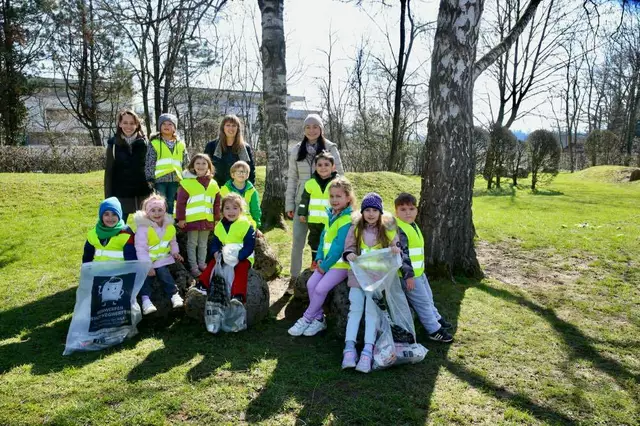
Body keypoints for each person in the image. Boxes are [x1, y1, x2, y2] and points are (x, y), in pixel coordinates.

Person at [340, 192, 405, 373]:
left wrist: (394, 249)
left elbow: (396, 246)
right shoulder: (356, 229)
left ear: (380, 212)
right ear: (362, 212)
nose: (370, 214)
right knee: (355, 311)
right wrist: (349, 254)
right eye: (367, 210)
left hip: (376, 280)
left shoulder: (388, 230)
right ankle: (349, 349)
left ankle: (367, 351)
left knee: (371, 314)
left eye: (374, 210)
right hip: (357, 278)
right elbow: (348, 248)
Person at [288, 177, 355, 337]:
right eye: (331, 196)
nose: (334, 200)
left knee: (320, 289)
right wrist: (319, 257)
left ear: (348, 198)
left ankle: (307, 318)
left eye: (338, 196)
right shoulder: (330, 215)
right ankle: (319, 319)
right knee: (311, 284)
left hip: (340, 265)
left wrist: (324, 266)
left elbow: (339, 247)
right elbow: (323, 239)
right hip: (325, 262)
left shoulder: (347, 219)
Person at [286, 114, 344, 281]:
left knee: (326, 241)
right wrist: (289, 204)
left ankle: (324, 276)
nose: (311, 130)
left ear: (321, 129)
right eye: (308, 127)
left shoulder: (330, 148)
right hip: (301, 203)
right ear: (304, 129)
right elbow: (292, 178)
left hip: (328, 205)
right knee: (298, 241)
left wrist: (341, 203)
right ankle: (294, 278)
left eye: (315, 127)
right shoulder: (297, 150)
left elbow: (341, 176)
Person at [394, 193, 453, 343]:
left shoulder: (412, 225)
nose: (408, 213)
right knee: (422, 302)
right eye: (403, 209)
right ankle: (434, 330)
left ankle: (436, 318)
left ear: (416, 210)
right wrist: (408, 276)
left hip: (419, 273)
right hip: (409, 276)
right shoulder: (399, 229)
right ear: (396, 212)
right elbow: (403, 254)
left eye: (411, 209)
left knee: (428, 297)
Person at [133, 194, 185, 315]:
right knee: (146, 276)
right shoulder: (143, 228)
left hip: (162, 259)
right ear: (147, 212)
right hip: (147, 260)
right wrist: (147, 265)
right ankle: (146, 301)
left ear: (165, 210)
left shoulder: (169, 226)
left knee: (163, 272)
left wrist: (175, 252)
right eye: (153, 210)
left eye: (160, 210)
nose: (157, 213)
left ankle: (174, 294)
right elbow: (141, 248)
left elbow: (172, 241)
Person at [200, 193, 256, 304]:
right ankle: (202, 285)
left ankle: (238, 295)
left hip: (242, 256)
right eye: (227, 208)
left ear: (241, 210)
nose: (231, 211)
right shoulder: (219, 226)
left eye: (235, 208)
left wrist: (240, 256)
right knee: (212, 264)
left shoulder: (246, 225)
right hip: (225, 254)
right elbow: (215, 242)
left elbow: (250, 245)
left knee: (241, 269)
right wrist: (215, 252)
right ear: (222, 210)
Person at [176, 153, 220, 278]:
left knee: (203, 244)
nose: (201, 166)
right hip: (192, 220)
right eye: (198, 163)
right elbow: (180, 203)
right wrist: (181, 219)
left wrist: (216, 218)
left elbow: (217, 203)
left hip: (207, 219)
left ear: (209, 166)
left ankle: (202, 264)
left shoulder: (214, 184)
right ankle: (193, 267)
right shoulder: (187, 183)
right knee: (192, 243)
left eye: (204, 163)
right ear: (192, 166)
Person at [104, 109, 151, 222]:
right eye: (125, 123)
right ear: (120, 124)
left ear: (137, 125)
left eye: (132, 123)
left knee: (146, 229)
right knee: (118, 228)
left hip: (143, 195)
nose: (128, 126)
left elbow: (151, 168)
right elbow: (109, 173)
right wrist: (108, 198)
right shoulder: (113, 145)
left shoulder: (146, 144)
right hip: (121, 196)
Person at [296, 151, 338, 269]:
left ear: (333, 166)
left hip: (331, 221)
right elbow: (304, 200)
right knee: (314, 241)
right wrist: (302, 213)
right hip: (314, 221)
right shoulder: (310, 183)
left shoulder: (337, 183)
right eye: (319, 165)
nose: (323, 168)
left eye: (326, 164)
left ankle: (329, 262)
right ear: (315, 167)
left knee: (329, 241)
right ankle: (314, 261)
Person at [145, 113, 189, 215]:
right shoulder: (155, 143)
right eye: (164, 124)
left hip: (175, 179)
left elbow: (186, 161)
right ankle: (159, 220)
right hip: (160, 179)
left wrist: (187, 176)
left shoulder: (180, 144)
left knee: (170, 202)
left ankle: (169, 221)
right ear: (160, 127)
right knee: (160, 202)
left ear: (174, 128)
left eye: (170, 124)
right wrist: (150, 178)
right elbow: (150, 161)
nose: (166, 126)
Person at [204, 115, 256, 188]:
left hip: (238, 189)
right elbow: (205, 168)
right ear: (223, 128)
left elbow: (251, 171)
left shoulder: (246, 147)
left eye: (234, 125)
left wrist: (250, 188)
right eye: (228, 125)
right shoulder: (211, 146)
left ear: (238, 128)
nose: (231, 128)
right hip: (216, 188)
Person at [82, 197, 136, 263]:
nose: (110, 218)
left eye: (114, 214)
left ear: (119, 215)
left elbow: (131, 260)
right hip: (97, 269)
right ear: (101, 216)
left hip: (120, 269)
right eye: (106, 214)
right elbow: (87, 258)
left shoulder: (127, 234)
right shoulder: (93, 234)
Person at [219, 161, 262, 235]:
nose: (241, 174)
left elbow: (256, 210)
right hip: (230, 220)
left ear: (247, 175)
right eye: (239, 171)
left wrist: (257, 225)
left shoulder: (252, 191)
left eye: (244, 172)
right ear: (233, 175)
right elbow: (220, 209)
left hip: (247, 221)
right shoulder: (225, 190)